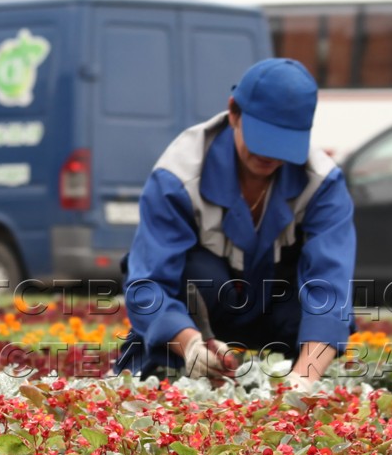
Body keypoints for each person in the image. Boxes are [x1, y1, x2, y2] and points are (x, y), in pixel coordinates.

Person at [114, 57, 355, 389]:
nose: (270, 156)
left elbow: (329, 289)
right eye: (262, 137)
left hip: (276, 308)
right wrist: (190, 345)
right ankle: (175, 363)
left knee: (313, 301)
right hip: (202, 316)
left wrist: (303, 381)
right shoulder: (178, 174)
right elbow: (149, 284)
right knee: (200, 277)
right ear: (234, 113)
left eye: (284, 142)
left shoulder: (323, 184)